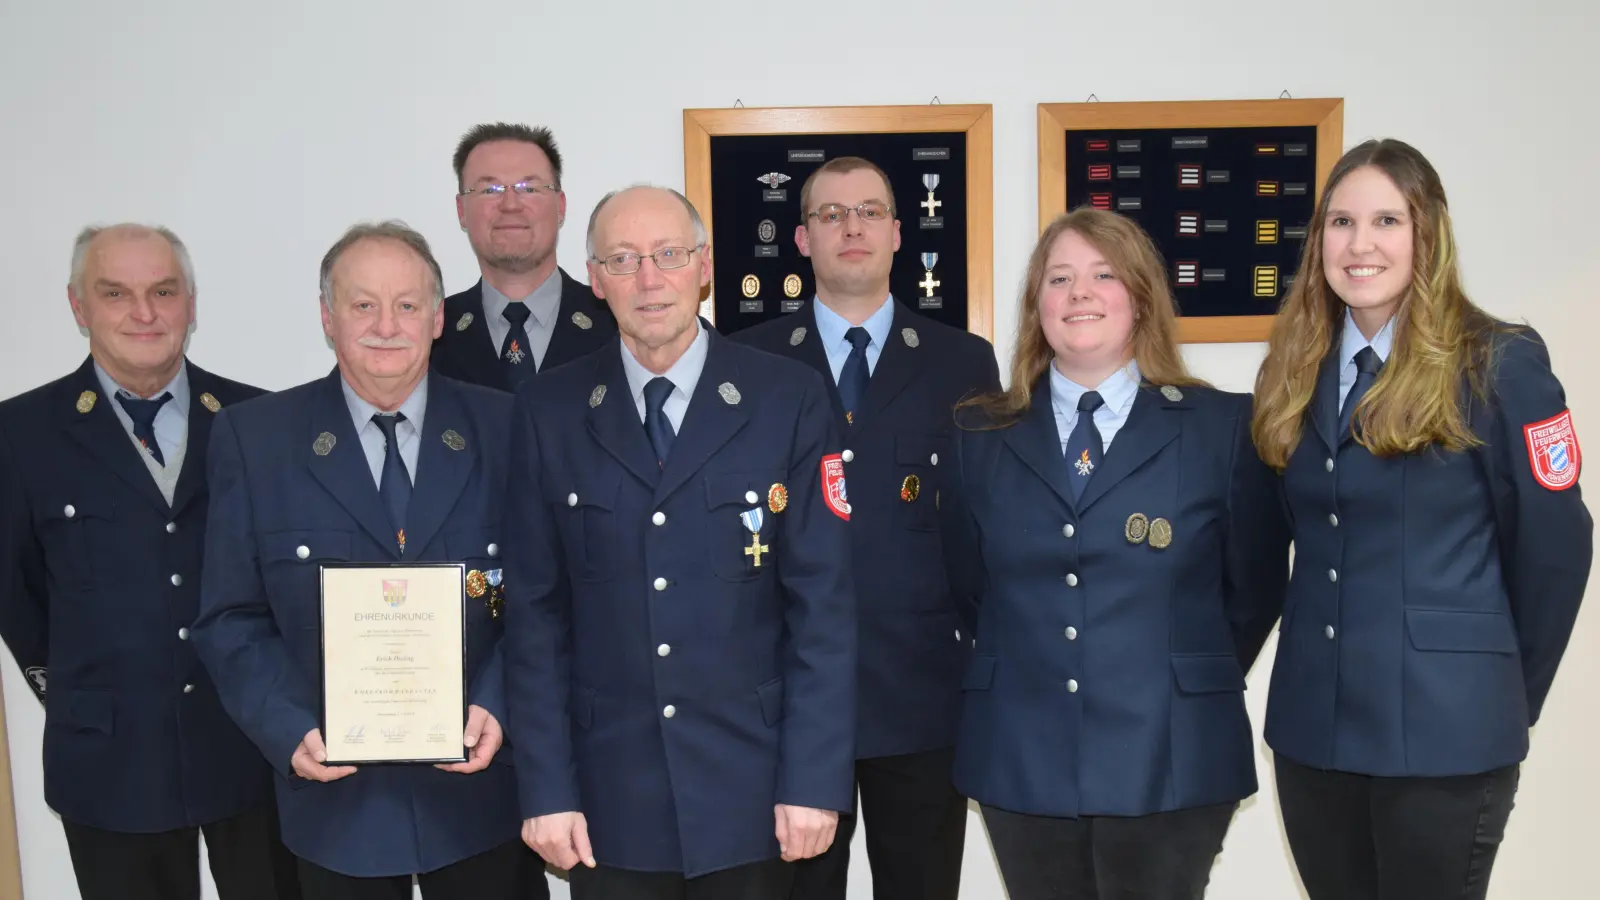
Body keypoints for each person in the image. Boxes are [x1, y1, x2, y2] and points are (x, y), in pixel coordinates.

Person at [1251, 138, 1593, 900]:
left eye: (1386, 220)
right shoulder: (1292, 370)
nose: (1360, 244)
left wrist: (1501, 689)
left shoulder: (1499, 363)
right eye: (1340, 223)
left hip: (1448, 735)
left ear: (1426, 235)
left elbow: (1558, 550)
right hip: (1317, 733)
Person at [503, 185, 857, 900]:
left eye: (668, 254)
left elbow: (825, 606)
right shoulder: (550, 411)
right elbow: (534, 617)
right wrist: (545, 788)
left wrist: (815, 780)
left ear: (703, 266)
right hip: (609, 798)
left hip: (756, 790)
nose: (649, 278)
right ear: (595, 279)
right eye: (624, 259)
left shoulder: (788, 397)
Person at [938, 208, 1290, 900]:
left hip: (1173, 751)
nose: (1080, 294)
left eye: (1103, 276)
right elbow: (971, 589)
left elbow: (1253, 590)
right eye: (1059, 279)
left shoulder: (1222, 429)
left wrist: (1173, 668)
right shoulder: (976, 435)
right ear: (1036, 305)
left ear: (1141, 299)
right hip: (1023, 753)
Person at [191, 221, 525, 899]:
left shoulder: (508, 428)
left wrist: (500, 700)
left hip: (479, 796)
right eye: (362, 304)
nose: (386, 325)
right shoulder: (256, 440)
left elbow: (542, 595)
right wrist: (286, 727)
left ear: (437, 319)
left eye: (407, 305)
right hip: (334, 806)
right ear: (327, 316)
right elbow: (229, 617)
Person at [0, 224, 300, 900]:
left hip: (249, 745)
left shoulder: (259, 420)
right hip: (110, 755)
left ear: (191, 305)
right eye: (116, 294)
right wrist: (85, 688)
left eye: (163, 292)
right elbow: (18, 599)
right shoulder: (20, 435)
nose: (144, 313)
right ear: (79, 307)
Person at [731, 155, 998, 900]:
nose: (852, 227)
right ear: (802, 239)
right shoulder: (746, 360)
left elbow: (983, 531)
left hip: (921, 697)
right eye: (830, 214)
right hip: (784, 698)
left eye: (870, 211)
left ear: (898, 233)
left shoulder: (962, 361)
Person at [433, 122, 616, 392]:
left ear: (561, 206)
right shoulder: (430, 333)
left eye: (528, 188)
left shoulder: (617, 325)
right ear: (461, 210)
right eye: (489, 190)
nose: (510, 205)